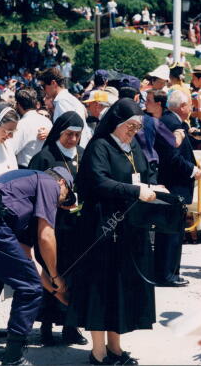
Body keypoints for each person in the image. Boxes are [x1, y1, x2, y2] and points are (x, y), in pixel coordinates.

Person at [66, 98, 157, 365]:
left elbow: (144, 173)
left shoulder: (132, 146)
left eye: (138, 127)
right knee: (101, 289)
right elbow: (98, 181)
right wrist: (135, 191)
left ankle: (116, 348)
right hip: (102, 229)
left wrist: (154, 185)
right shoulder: (100, 146)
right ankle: (98, 352)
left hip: (129, 228)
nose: (134, 131)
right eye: (130, 126)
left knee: (121, 289)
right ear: (117, 122)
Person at [0, 166, 76, 364]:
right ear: (62, 182)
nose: (60, 202)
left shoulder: (23, 193)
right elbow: (46, 236)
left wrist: (56, 291)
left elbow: (29, 259)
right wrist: (55, 275)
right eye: (65, 197)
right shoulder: (47, 181)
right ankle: (13, 357)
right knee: (29, 289)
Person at [29, 111, 87, 346]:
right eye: (68, 134)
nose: (72, 139)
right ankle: (45, 326)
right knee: (49, 272)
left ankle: (71, 327)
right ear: (59, 133)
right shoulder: (45, 157)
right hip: (51, 225)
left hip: (76, 227)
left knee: (74, 276)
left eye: (77, 135)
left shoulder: (83, 155)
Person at [155, 90, 201, 286]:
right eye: (190, 105)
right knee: (171, 233)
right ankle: (168, 275)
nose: (192, 108)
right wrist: (192, 170)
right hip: (174, 185)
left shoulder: (170, 122)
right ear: (182, 106)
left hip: (172, 184)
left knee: (170, 231)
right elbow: (172, 157)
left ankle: (167, 272)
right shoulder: (172, 124)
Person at [38, 67, 92, 148]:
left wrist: (50, 133)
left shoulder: (62, 102)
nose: (43, 90)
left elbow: (71, 129)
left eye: (43, 86)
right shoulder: (68, 99)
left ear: (53, 83)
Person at [8, 88, 52, 169]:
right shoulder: (47, 122)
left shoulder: (21, 124)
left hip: (26, 170)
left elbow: (10, 149)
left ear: (19, 105)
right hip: (44, 169)